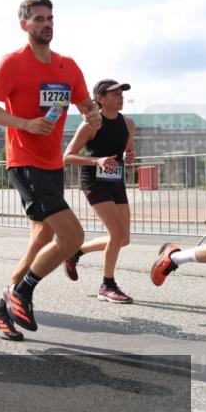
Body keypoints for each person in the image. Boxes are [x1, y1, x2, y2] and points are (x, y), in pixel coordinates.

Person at [0, 0, 101, 341]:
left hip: (52, 164)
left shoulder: (68, 66)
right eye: (38, 19)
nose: (46, 23)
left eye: (49, 18)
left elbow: (87, 107)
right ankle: (22, 293)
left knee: (42, 239)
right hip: (24, 162)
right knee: (72, 236)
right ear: (24, 25)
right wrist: (25, 124)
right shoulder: (12, 63)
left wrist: (92, 117)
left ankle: (0, 310)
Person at [62, 79, 136, 303]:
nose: (120, 96)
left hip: (116, 181)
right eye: (115, 94)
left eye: (122, 93)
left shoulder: (128, 123)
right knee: (116, 234)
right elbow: (67, 156)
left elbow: (127, 151)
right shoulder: (91, 124)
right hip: (94, 182)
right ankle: (107, 285)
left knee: (124, 239)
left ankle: (76, 252)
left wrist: (130, 157)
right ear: (100, 99)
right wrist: (98, 160)